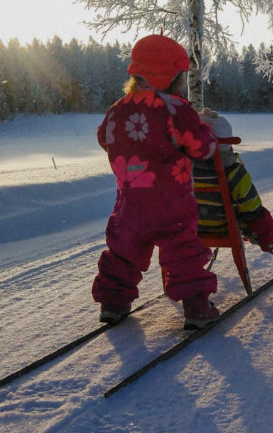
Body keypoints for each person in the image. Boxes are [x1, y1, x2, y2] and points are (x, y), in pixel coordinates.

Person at [92, 34, 222, 330]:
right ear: (173, 76)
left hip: (130, 203)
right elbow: (202, 147)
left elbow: (103, 137)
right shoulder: (176, 109)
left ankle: (113, 302)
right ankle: (196, 306)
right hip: (171, 202)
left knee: (123, 251)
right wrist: (206, 131)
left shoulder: (117, 109)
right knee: (183, 251)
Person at [193, 109, 273, 252]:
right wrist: (265, 236)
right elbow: (252, 208)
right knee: (255, 213)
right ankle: (265, 241)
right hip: (223, 226)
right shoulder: (234, 171)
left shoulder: (182, 169)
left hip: (190, 227)